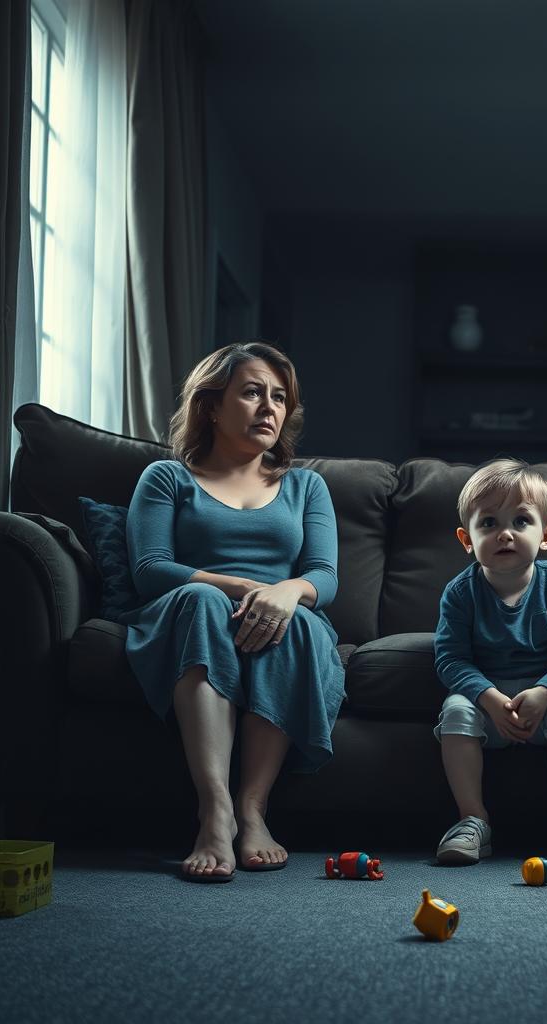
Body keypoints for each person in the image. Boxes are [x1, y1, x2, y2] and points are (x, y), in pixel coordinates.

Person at [123, 342, 344, 882]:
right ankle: (214, 810)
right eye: (252, 393)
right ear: (212, 406)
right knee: (200, 600)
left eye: (278, 397)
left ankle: (252, 809)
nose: (270, 407)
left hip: (277, 620)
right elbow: (150, 569)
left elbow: (325, 576)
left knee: (297, 621)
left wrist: (286, 593)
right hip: (191, 615)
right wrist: (243, 586)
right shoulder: (166, 478)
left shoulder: (305, 485)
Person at [432, 459, 547, 865]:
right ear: (466, 539)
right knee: (454, 709)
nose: (505, 533)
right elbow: (451, 658)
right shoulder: (460, 593)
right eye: (488, 523)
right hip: (485, 701)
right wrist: (488, 698)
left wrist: (546, 692)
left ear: (546, 536)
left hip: (542, 701)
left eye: (521, 521)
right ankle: (472, 820)